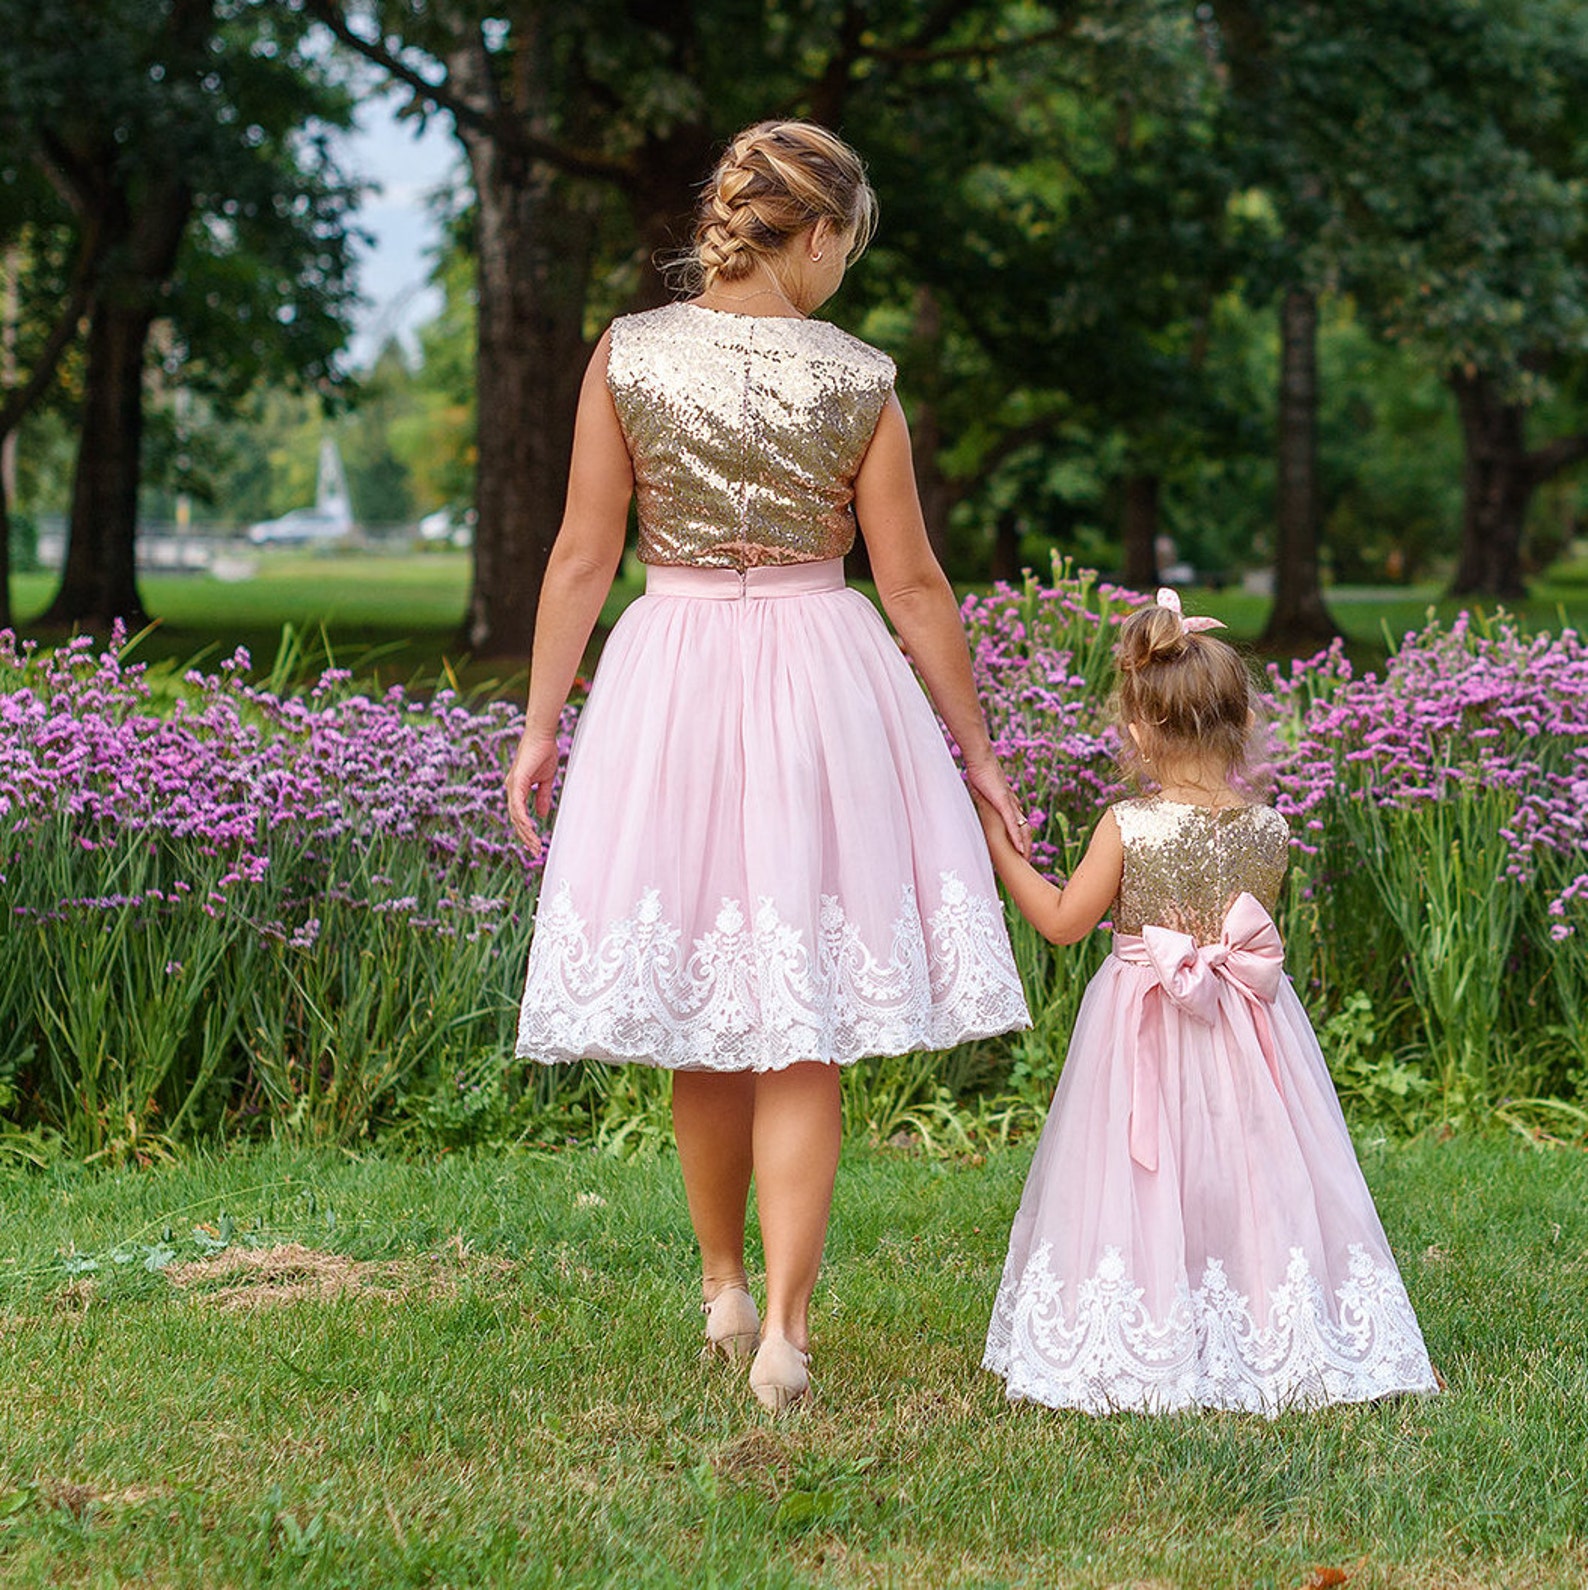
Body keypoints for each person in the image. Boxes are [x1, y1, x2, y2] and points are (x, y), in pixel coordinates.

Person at [504, 120, 1031, 1413]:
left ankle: (723, 1287)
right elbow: (910, 583)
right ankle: (787, 1337)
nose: (846, 269)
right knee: (802, 1022)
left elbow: (582, 553)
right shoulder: (860, 378)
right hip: (818, 677)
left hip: (667, 673)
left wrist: (538, 725)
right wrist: (976, 751)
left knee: (701, 994)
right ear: (820, 231)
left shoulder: (627, 354)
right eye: (850, 244)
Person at [976, 591, 1439, 1415]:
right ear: (1238, 723)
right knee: (1253, 1169)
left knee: (1142, 1175)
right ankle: (1262, 1322)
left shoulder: (1128, 826)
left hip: (1144, 1020)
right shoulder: (1270, 827)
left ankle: (1150, 1330)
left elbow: (1058, 923)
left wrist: (997, 848)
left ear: (1141, 728)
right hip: (1248, 1028)